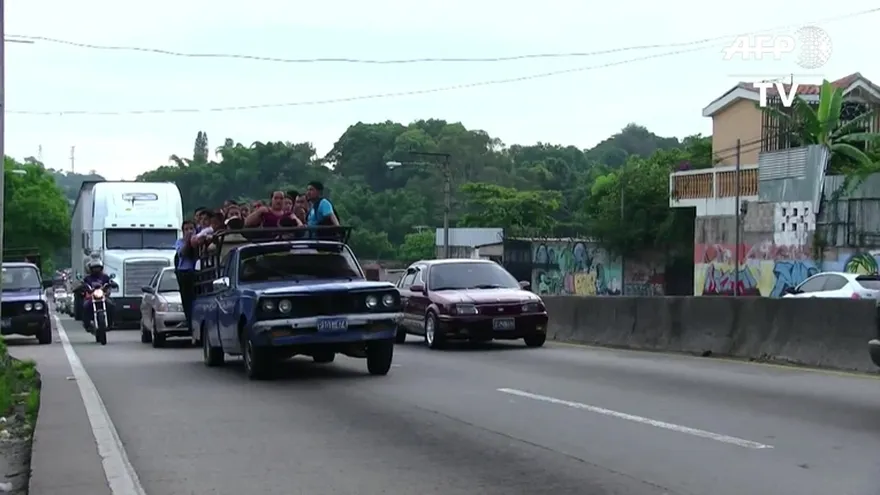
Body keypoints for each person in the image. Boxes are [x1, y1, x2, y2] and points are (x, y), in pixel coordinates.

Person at [175, 220, 197, 334]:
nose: (189, 231)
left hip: (195, 273)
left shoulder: (198, 240)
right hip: (184, 273)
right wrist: (188, 241)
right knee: (187, 301)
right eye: (186, 229)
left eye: (191, 229)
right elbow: (182, 253)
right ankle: (189, 324)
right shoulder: (180, 242)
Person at [80, 259, 115, 330]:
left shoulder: (105, 277)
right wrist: (82, 287)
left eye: (98, 267)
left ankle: (111, 323)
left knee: (111, 304)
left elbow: (110, 282)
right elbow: (83, 284)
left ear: (101, 268)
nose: (96, 269)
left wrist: (112, 284)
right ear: (91, 269)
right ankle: (87, 324)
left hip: (103, 296)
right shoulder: (88, 278)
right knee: (85, 305)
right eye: (94, 268)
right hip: (92, 297)